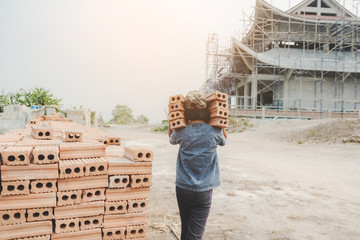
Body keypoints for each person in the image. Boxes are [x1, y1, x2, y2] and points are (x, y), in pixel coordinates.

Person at [169, 90, 227, 240]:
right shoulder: (214, 131)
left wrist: (172, 119)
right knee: (195, 235)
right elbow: (224, 141)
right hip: (203, 191)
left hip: (182, 188)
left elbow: (171, 139)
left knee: (185, 228)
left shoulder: (181, 132)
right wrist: (220, 120)